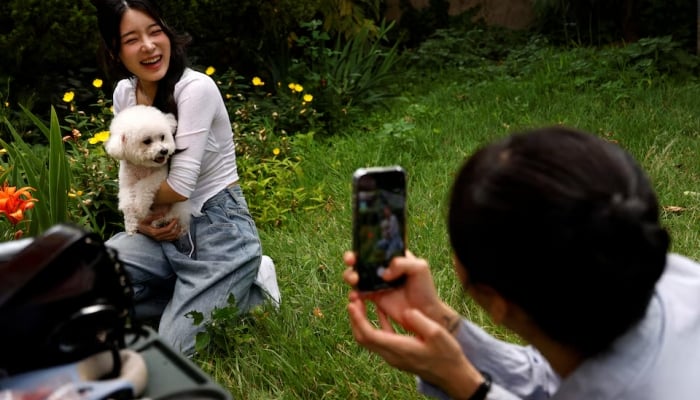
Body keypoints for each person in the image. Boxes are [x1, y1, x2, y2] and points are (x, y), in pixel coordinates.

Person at [343, 126, 700, 399]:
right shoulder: (668, 275)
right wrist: (441, 321)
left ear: (495, 300)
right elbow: (558, 376)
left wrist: (466, 385)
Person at [92, 0, 281, 356]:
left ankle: (253, 289)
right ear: (115, 51)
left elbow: (179, 187)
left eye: (155, 31)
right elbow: (129, 168)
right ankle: (197, 292)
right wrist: (139, 222)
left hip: (217, 227)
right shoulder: (124, 93)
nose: (148, 46)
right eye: (132, 39)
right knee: (89, 287)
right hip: (160, 229)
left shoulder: (195, 89)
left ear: (167, 34)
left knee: (172, 350)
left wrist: (140, 207)